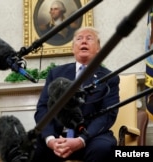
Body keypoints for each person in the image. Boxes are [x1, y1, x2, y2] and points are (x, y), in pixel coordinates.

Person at [32, 27, 120, 162]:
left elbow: (108, 114)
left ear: (98, 49)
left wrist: (81, 140)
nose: (84, 41)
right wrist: (50, 139)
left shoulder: (109, 78)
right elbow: (43, 109)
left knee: (104, 148)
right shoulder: (56, 74)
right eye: (79, 39)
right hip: (57, 137)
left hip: (91, 138)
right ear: (73, 48)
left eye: (89, 38)